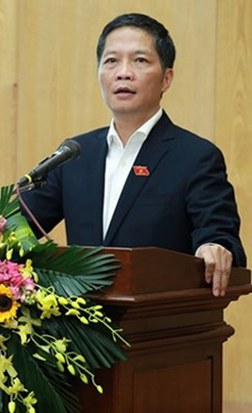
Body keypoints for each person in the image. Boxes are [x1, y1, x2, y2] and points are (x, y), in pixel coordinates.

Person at [20, 13, 246, 297]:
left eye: (140, 60)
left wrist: (214, 247)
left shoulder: (196, 157)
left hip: (158, 318)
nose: (123, 73)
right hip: (79, 319)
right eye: (111, 61)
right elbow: (18, 226)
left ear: (166, 79)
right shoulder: (75, 154)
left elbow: (221, 237)